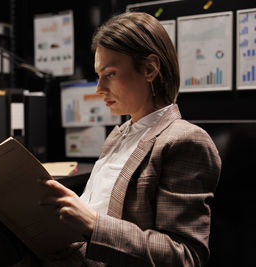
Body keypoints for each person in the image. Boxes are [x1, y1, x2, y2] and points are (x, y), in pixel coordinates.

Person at [36, 11, 221, 267]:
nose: (99, 89)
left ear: (149, 69)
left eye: (109, 74)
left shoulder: (185, 140)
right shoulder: (119, 135)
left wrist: (92, 224)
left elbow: (185, 256)